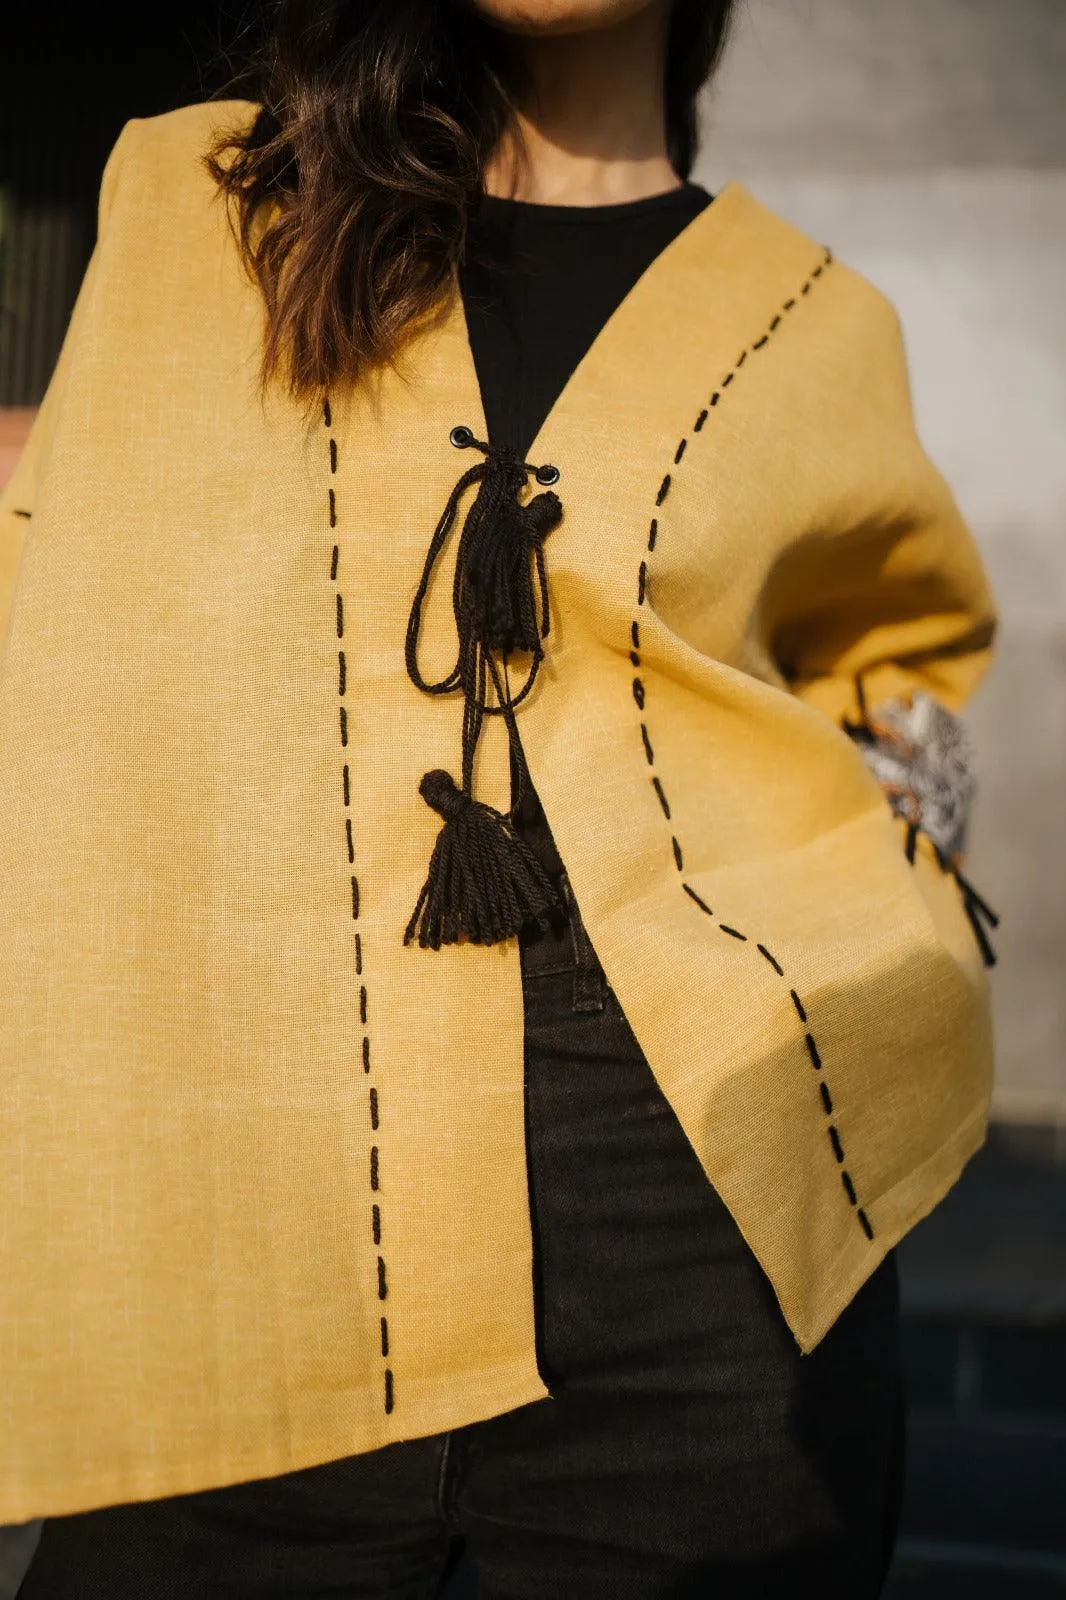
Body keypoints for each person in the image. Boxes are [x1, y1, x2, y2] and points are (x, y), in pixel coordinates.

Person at [0, 0, 999, 1594]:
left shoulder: (821, 322)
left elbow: (902, 661)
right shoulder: (205, 202)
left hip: (704, 1261)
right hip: (239, 1240)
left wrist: (896, 861)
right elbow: (71, 532)